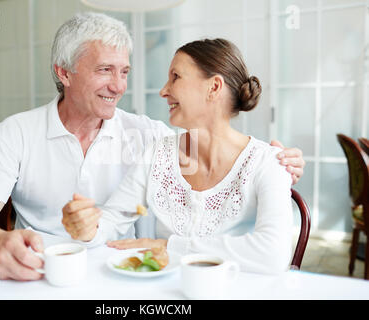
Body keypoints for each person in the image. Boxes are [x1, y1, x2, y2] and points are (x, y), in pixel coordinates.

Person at [0, 12, 305, 281]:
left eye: (125, 72)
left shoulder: (149, 136)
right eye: (105, 70)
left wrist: (277, 161)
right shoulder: (16, 134)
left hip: (128, 279)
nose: (119, 86)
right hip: (40, 277)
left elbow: (210, 135)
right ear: (64, 73)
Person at [64, 38, 295, 274]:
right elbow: (114, 218)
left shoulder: (268, 162)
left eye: (175, 77)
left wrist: (168, 246)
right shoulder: (158, 153)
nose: (163, 91)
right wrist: (88, 229)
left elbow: (273, 254)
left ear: (213, 87)